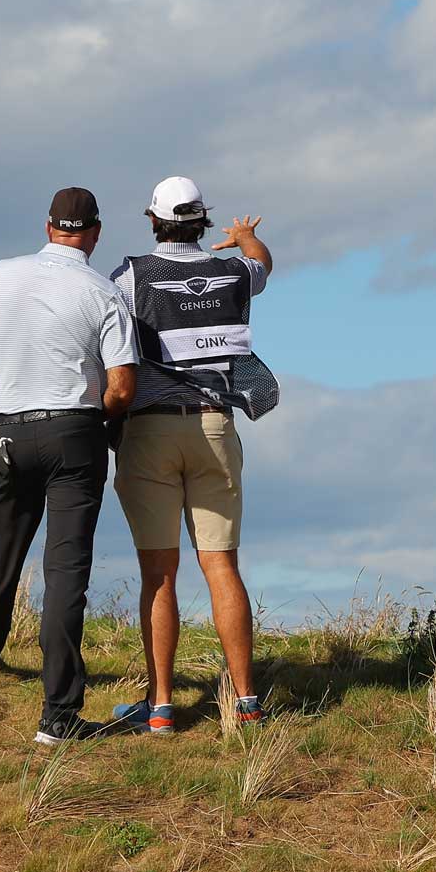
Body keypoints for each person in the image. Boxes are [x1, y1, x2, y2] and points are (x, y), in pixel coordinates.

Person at [0, 187, 138, 745]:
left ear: (48, 227)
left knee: (2, 549)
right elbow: (122, 388)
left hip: (10, 429)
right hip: (75, 432)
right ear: (95, 233)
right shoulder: (104, 293)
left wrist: (8, 387)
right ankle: (58, 714)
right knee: (66, 571)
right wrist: (93, 416)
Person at [107, 176, 278, 735]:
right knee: (221, 566)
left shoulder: (130, 275)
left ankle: (160, 708)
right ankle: (247, 702)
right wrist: (245, 236)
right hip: (214, 426)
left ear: (153, 220)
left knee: (159, 573)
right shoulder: (234, 272)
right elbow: (263, 263)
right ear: (203, 220)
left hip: (150, 431)